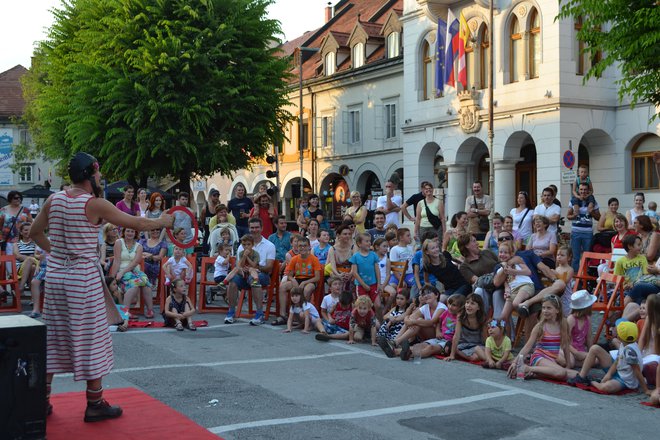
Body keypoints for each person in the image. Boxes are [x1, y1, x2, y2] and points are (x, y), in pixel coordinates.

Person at [29, 152, 173, 422]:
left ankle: (41, 400)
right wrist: (162, 222)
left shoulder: (53, 199)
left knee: (54, 336)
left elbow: (34, 233)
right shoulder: (94, 204)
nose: (99, 177)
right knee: (92, 336)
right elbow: (136, 223)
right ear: (89, 175)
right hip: (82, 278)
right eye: (97, 173)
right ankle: (94, 403)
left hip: (57, 277)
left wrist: (57, 254)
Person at [568, 321, 649, 395]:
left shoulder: (630, 351)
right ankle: (581, 377)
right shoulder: (624, 343)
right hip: (619, 370)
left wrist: (646, 390)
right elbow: (617, 360)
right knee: (594, 348)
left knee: (605, 388)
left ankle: (592, 382)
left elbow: (637, 371)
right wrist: (609, 374)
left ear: (620, 337)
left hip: (625, 380)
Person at [225, 217, 276, 325]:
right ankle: (231, 312)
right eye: (252, 228)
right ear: (249, 228)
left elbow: (269, 267)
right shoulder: (242, 245)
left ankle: (259, 314)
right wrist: (241, 269)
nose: (254, 230)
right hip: (245, 274)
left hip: (262, 275)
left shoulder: (269, 245)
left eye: (257, 227)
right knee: (233, 281)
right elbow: (238, 265)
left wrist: (255, 268)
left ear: (262, 228)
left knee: (254, 279)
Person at [507, 295, 570, 381]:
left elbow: (565, 345)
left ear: (557, 310)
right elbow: (528, 346)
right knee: (562, 373)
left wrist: (568, 365)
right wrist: (515, 361)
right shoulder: (540, 326)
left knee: (575, 375)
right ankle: (529, 369)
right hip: (539, 357)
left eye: (549, 308)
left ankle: (537, 374)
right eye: (543, 308)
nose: (545, 311)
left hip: (552, 359)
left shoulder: (563, 324)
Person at [394, 285, 447, 359]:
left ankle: (396, 342)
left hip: (439, 337)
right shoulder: (425, 307)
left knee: (418, 321)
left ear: (436, 295)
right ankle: (395, 342)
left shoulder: (441, 307)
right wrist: (407, 319)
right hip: (427, 336)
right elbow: (411, 317)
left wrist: (412, 321)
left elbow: (432, 322)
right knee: (416, 321)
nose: (426, 295)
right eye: (424, 294)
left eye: (429, 293)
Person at [111, 227, 154, 319]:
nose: (130, 233)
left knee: (146, 283)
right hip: (122, 271)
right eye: (128, 231)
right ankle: (125, 313)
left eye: (132, 231)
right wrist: (112, 277)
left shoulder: (139, 246)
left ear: (135, 233)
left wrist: (122, 272)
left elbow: (135, 262)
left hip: (134, 270)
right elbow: (117, 261)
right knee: (134, 285)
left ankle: (150, 310)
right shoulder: (119, 242)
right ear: (124, 232)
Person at [494, 240, 535, 325]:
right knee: (503, 318)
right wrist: (507, 290)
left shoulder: (518, 261)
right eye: (501, 252)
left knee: (516, 303)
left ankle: (534, 322)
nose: (502, 254)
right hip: (513, 290)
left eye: (506, 252)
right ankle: (507, 338)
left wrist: (513, 271)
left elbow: (528, 272)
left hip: (525, 285)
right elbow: (505, 283)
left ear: (512, 254)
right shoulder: (500, 269)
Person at [567, 182, 601, 272]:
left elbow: (599, 217)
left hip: (588, 233)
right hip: (575, 232)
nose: (583, 191)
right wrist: (575, 215)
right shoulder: (573, 201)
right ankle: (575, 278)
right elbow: (568, 216)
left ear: (588, 191)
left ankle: (585, 276)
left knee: (587, 256)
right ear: (578, 190)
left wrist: (591, 212)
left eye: (585, 189)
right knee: (575, 257)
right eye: (581, 189)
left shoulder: (593, 201)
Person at [445, 293, 487, 362]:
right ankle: (457, 352)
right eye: (467, 303)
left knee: (477, 356)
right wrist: (452, 355)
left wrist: (488, 350)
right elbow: (456, 335)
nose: (468, 305)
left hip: (477, 346)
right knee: (473, 358)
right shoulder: (461, 317)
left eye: (472, 303)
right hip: (463, 345)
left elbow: (485, 338)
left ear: (478, 307)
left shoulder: (482, 319)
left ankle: (460, 354)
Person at [279, 237, 321, 303]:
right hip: (297, 279)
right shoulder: (294, 259)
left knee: (307, 289)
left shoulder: (314, 259)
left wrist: (304, 282)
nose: (302, 248)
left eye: (305, 246)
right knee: (282, 287)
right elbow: (289, 275)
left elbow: (317, 277)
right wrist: (293, 280)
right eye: (300, 246)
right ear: (297, 247)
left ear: (309, 247)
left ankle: (303, 309)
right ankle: (282, 312)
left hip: (310, 280)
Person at [349, 233, 382, 316]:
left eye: (369, 241)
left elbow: (377, 270)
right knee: (364, 306)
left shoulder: (373, 255)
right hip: (361, 286)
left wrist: (379, 283)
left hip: (373, 284)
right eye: (366, 241)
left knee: (378, 305)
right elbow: (354, 272)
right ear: (359, 244)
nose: (369, 243)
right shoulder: (355, 256)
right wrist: (364, 285)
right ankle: (367, 323)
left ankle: (380, 323)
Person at [567, 289, 596, 367]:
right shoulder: (571, 319)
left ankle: (584, 362)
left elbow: (589, 338)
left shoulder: (587, 318)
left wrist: (591, 352)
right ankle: (579, 362)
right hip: (570, 350)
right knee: (571, 361)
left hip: (581, 350)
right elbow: (563, 340)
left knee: (596, 359)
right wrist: (576, 353)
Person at [14, 223, 38, 298]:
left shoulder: (35, 243)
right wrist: (30, 258)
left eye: (30, 230)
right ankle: (32, 296)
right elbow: (17, 256)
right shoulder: (16, 244)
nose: (28, 231)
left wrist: (29, 258)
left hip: (34, 267)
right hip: (19, 268)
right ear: (21, 232)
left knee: (33, 267)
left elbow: (36, 255)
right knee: (30, 261)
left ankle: (21, 287)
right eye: (26, 230)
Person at [200, 189, 221, 254]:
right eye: (214, 195)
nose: (216, 197)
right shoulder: (205, 208)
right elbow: (202, 221)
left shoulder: (220, 207)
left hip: (218, 231)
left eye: (217, 196)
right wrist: (205, 228)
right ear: (210, 196)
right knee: (206, 248)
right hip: (208, 231)